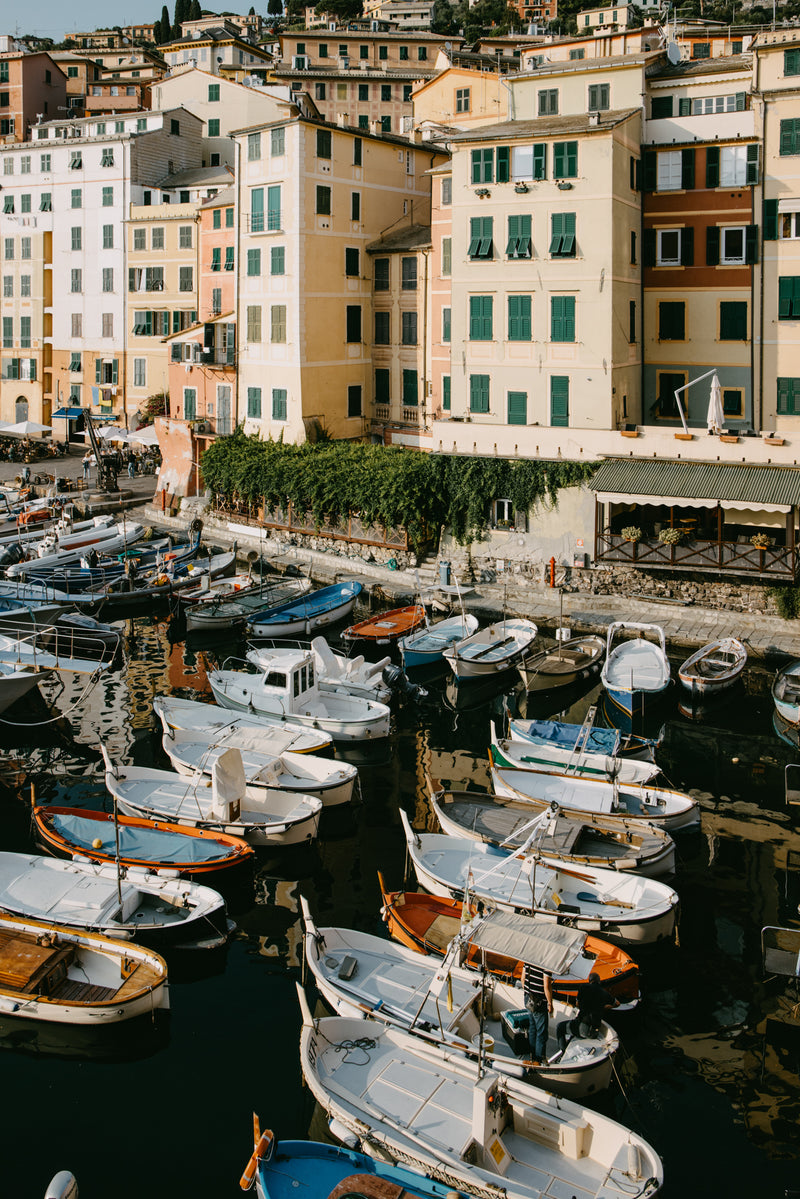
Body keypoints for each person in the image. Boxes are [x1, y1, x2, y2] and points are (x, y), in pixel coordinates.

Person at [555, 973, 619, 1058]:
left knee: (560, 1027)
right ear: (598, 982)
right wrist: (604, 1007)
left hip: (583, 1029)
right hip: (595, 1032)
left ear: (590, 981)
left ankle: (563, 1053)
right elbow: (617, 1003)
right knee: (574, 1026)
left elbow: (577, 1004)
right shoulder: (604, 992)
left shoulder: (583, 987)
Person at [523, 961, 553, 1064]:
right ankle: (539, 1059)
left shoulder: (529, 960)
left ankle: (532, 1055)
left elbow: (523, 979)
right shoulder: (546, 965)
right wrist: (550, 1003)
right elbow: (546, 986)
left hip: (528, 998)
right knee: (541, 1032)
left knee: (532, 1028)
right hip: (538, 1002)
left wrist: (527, 994)